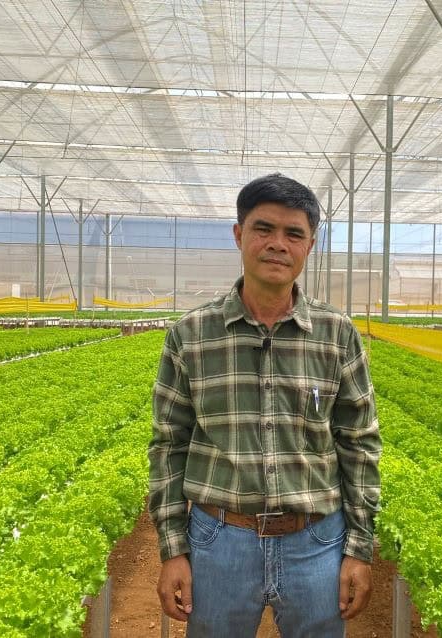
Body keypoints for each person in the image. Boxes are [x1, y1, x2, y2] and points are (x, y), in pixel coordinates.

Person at [148, 173, 381, 637]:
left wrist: (359, 547)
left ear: (310, 245)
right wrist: (173, 548)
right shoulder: (191, 335)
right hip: (219, 541)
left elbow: (358, 444)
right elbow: (169, 445)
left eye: (294, 233)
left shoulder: (338, 335)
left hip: (316, 540)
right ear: (239, 235)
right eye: (264, 229)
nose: (278, 244)